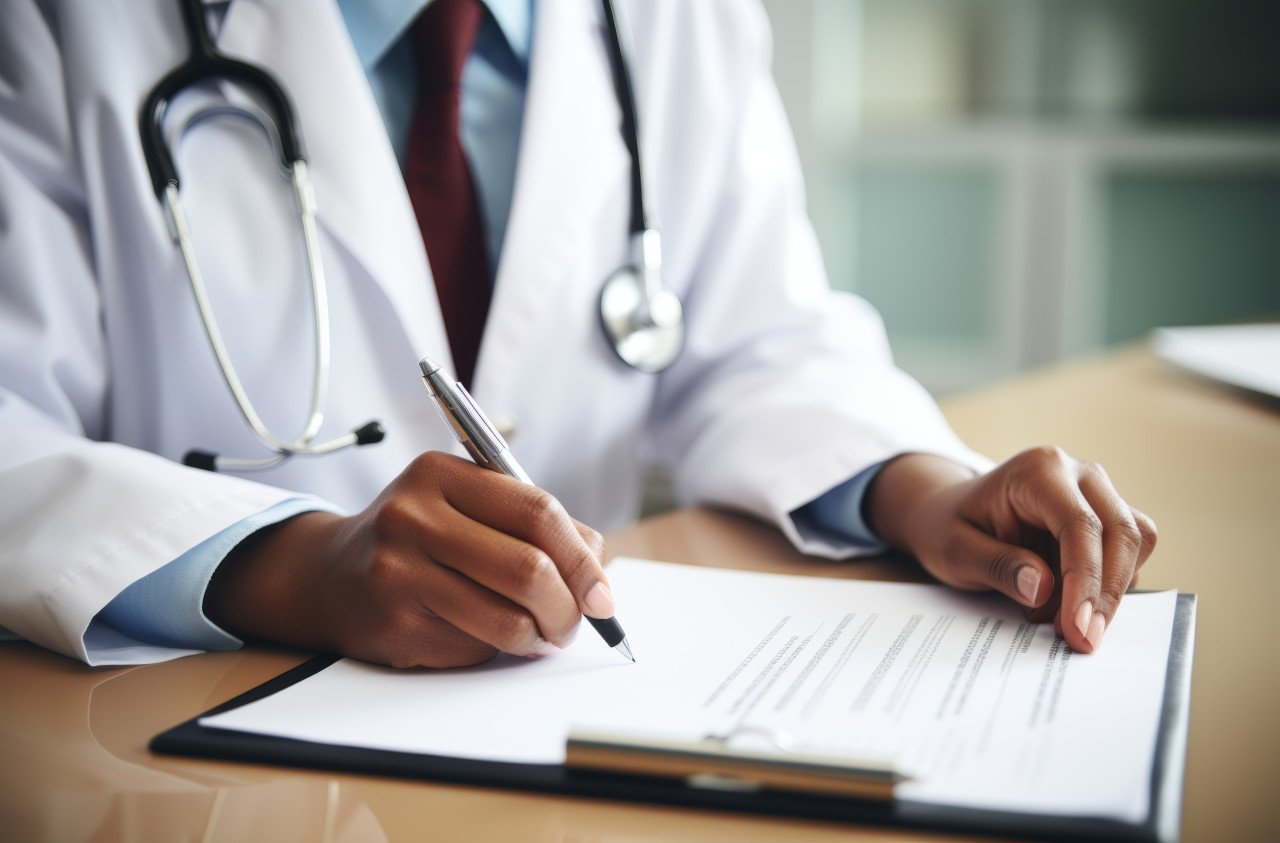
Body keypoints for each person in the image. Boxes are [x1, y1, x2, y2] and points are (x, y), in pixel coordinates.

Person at [0, 0, 1154, 670]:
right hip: (192, 744)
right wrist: (296, 569)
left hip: (558, 724)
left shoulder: (670, 19)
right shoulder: (60, 28)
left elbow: (758, 339)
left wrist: (922, 492)